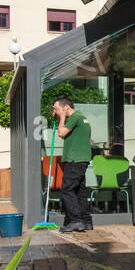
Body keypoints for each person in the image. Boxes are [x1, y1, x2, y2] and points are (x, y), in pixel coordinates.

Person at [51, 97, 93, 233]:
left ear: (66, 107)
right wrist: (59, 118)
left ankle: (76, 221)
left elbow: (61, 133)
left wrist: (61, 117)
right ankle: (86, 221)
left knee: (67, 190)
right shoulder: (81, 118)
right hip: (81, 160)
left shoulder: (75, 117)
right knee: (79, 192)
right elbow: (63, 130)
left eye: (57, 109)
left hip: (75, 160)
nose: (55, 111)